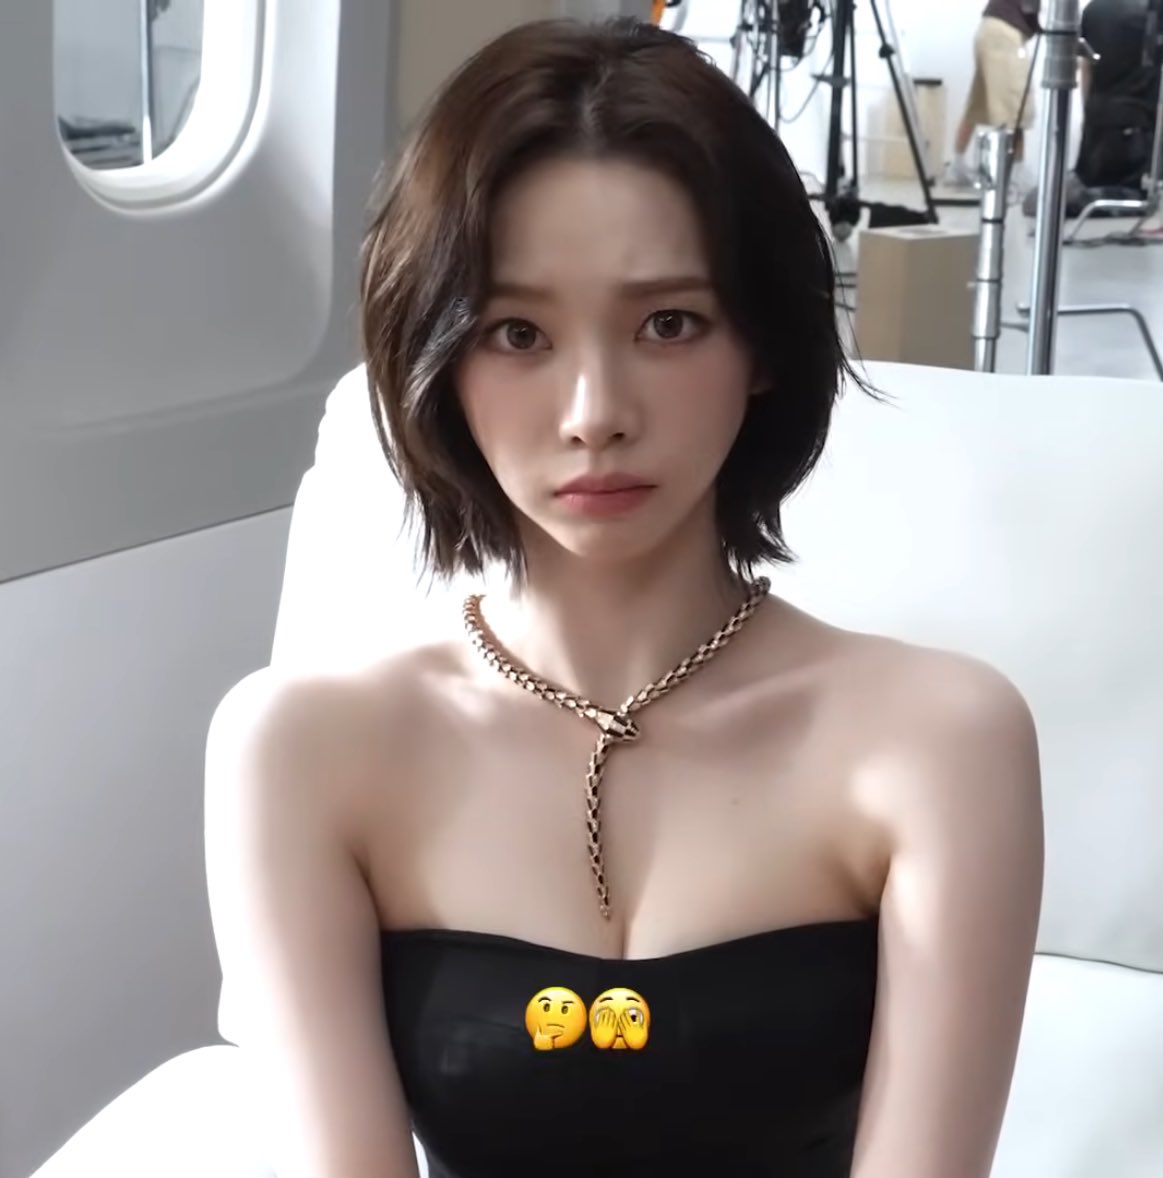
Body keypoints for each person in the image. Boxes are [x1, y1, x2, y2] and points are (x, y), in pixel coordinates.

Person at [205, 17, 1044, 1178]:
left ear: (760, 344)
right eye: (517, 333)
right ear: (436, 356)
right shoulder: (301, 746)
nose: (595, 410)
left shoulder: (939, 739)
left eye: (667, 323)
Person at [1075, 0, 1163, 189]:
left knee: (1093, 195)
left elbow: (1086, 69)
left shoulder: (1094, 9)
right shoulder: (1157, 13)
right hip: (1138, 133)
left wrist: (1088, 114)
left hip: (1098, 128)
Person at [947, 0, 1042, 191]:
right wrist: (1043, 29)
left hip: (987, 31)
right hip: (1005, 35)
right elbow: (1029, 9)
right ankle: (1016, 172)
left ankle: (957, 164)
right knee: (1016, 104)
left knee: (978, 100)